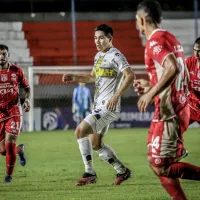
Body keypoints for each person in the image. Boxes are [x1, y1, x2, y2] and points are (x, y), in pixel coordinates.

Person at [134, 1, 200, 199]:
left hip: (170, 111)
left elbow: (173, 68)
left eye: (136, 21)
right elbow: (177, 74)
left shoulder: (154, 42)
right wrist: (151, 85)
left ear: (142, 20)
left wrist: (150, 92)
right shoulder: (169, 37)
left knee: (161, 165)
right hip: (170, 107)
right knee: (153, 161)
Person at [62, 24, 135, 186]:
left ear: (110, 38)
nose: (98, 41)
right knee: (96, 144)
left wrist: (116, 96)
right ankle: (122, 171)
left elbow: (130, 76)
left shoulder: (116, 55)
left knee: (80, 131)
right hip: (98, 106)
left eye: (101, 37)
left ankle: (89, 172)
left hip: (108, 107)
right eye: (95, 38)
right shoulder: (98, 56)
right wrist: (74, 77)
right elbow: (92, 78)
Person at [0, 44, 30, 183]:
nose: (1, 57)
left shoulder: (16, 71)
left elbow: (27, 88)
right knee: (2, 150)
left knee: (10, 141)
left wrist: (26, 100)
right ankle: (20, 150)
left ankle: (8, 176)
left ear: (8, 55)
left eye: (4, 54)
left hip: (13, 111)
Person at [185, 37, 200, 125]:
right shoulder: (189, 62)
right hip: (191, 107)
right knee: (174, 129)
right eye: (195, 50)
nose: (197, 54)